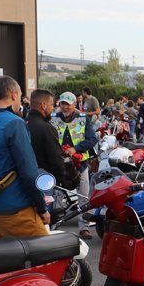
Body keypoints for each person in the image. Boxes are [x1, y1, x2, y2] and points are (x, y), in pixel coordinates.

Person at [0, 76, 48, 237]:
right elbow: (29, 173)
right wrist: (42, 208)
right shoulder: (14, 123)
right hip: (16, 208)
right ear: (13, 95)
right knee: (49, 257)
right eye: (19, 96)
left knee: (7, 260)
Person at [52, 91, 97, 239]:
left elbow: (92, 140)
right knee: (57, 194)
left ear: (74, 105)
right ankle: (55, 225)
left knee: (83, 196)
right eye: (62, 103)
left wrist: (75, 149)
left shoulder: (83, 119)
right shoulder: (53, 118)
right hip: (59, 163)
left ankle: (84, 228)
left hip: (80, 163)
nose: (64, 107)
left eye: (67, 104)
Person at [26, 89, 66, 185]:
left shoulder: (22, 123)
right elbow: (56, 161)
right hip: (46, 182)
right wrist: (63, 180)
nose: (53, 108)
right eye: (51, 105)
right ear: (44, 105)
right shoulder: (47, 128)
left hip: (26, 181)